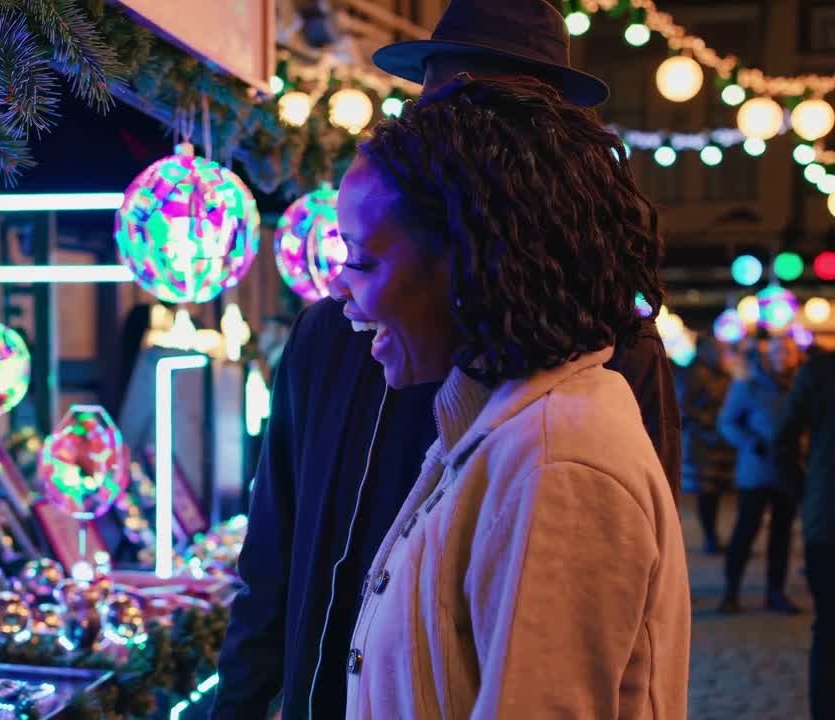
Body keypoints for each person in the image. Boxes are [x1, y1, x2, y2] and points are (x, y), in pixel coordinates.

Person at [211, 1, 683, 717]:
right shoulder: (337, 334)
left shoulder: (584, 402)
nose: (470, 131)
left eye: (500, 115)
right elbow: (275, 552)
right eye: (442, 107)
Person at [333, 73, 688, 717]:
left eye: (360, 259)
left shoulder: (558, 460)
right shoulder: (503, 429)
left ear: (470, 262)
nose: (338, 288)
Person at [717, 335, 802, 614]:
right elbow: (727, 422)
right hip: (756, 471)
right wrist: (751, 443)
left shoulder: (799, 386)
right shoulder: (748, 385)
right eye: (778, 350)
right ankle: (731, 591)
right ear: (768, 355)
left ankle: (775, 593)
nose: (783, 356)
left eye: (788, 351)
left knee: (782, 535)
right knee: (746, 531)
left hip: (788, 471)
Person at [775, 346, 835, 719]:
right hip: (825, 518)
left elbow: (783, 441)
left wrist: (805, 493)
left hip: (826, 519)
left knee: (828, 630)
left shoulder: (819, 372)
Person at [677, 335, 736, 554]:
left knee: (716, 491)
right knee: (707, 492)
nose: (724, 355)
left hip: (721, 441)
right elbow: (683, 408)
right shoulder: (694, 374)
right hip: (703, 443)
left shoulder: (723, 374)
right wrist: (709, 421)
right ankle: (710, 538)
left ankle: (713, 537)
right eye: (719, 351)